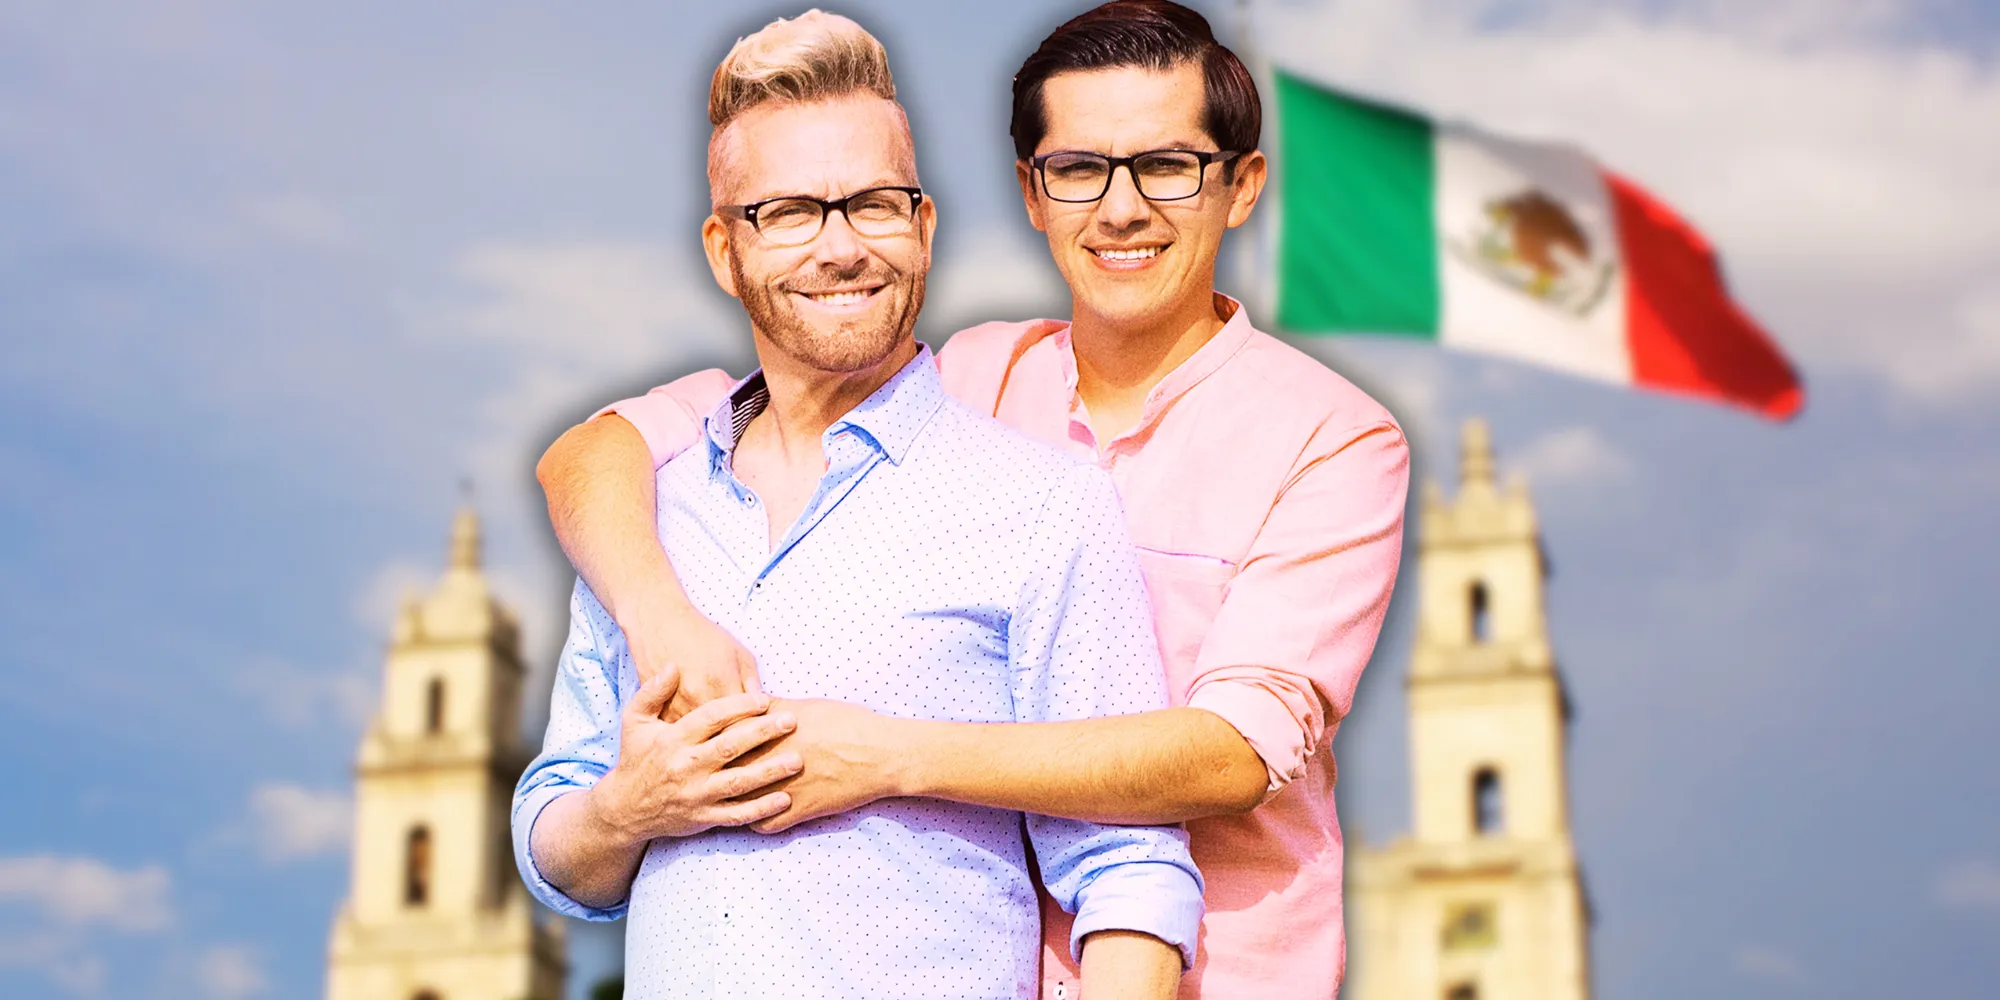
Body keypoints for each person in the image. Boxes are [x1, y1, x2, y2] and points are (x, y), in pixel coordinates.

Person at [536, 2, 1410, 997]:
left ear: (1240, 184)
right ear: (1032, 196)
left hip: (1217, 971)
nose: (1120, 208)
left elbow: (1231, 756)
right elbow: (598, 450)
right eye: (1078, 169)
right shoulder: (969, 374)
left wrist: (886, 756)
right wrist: (659, 617)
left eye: (1164, 165)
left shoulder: (1330, 437)